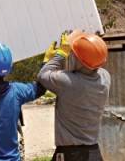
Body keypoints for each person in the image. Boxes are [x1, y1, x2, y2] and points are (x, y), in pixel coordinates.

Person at [37, 31, 111, 161]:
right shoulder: (105, 77)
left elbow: (43, 75)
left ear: (79, 61)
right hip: (93, 152)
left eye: (72, 54)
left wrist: (59, 56)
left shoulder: (69, 82)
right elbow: (88, 63)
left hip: (70, 155)